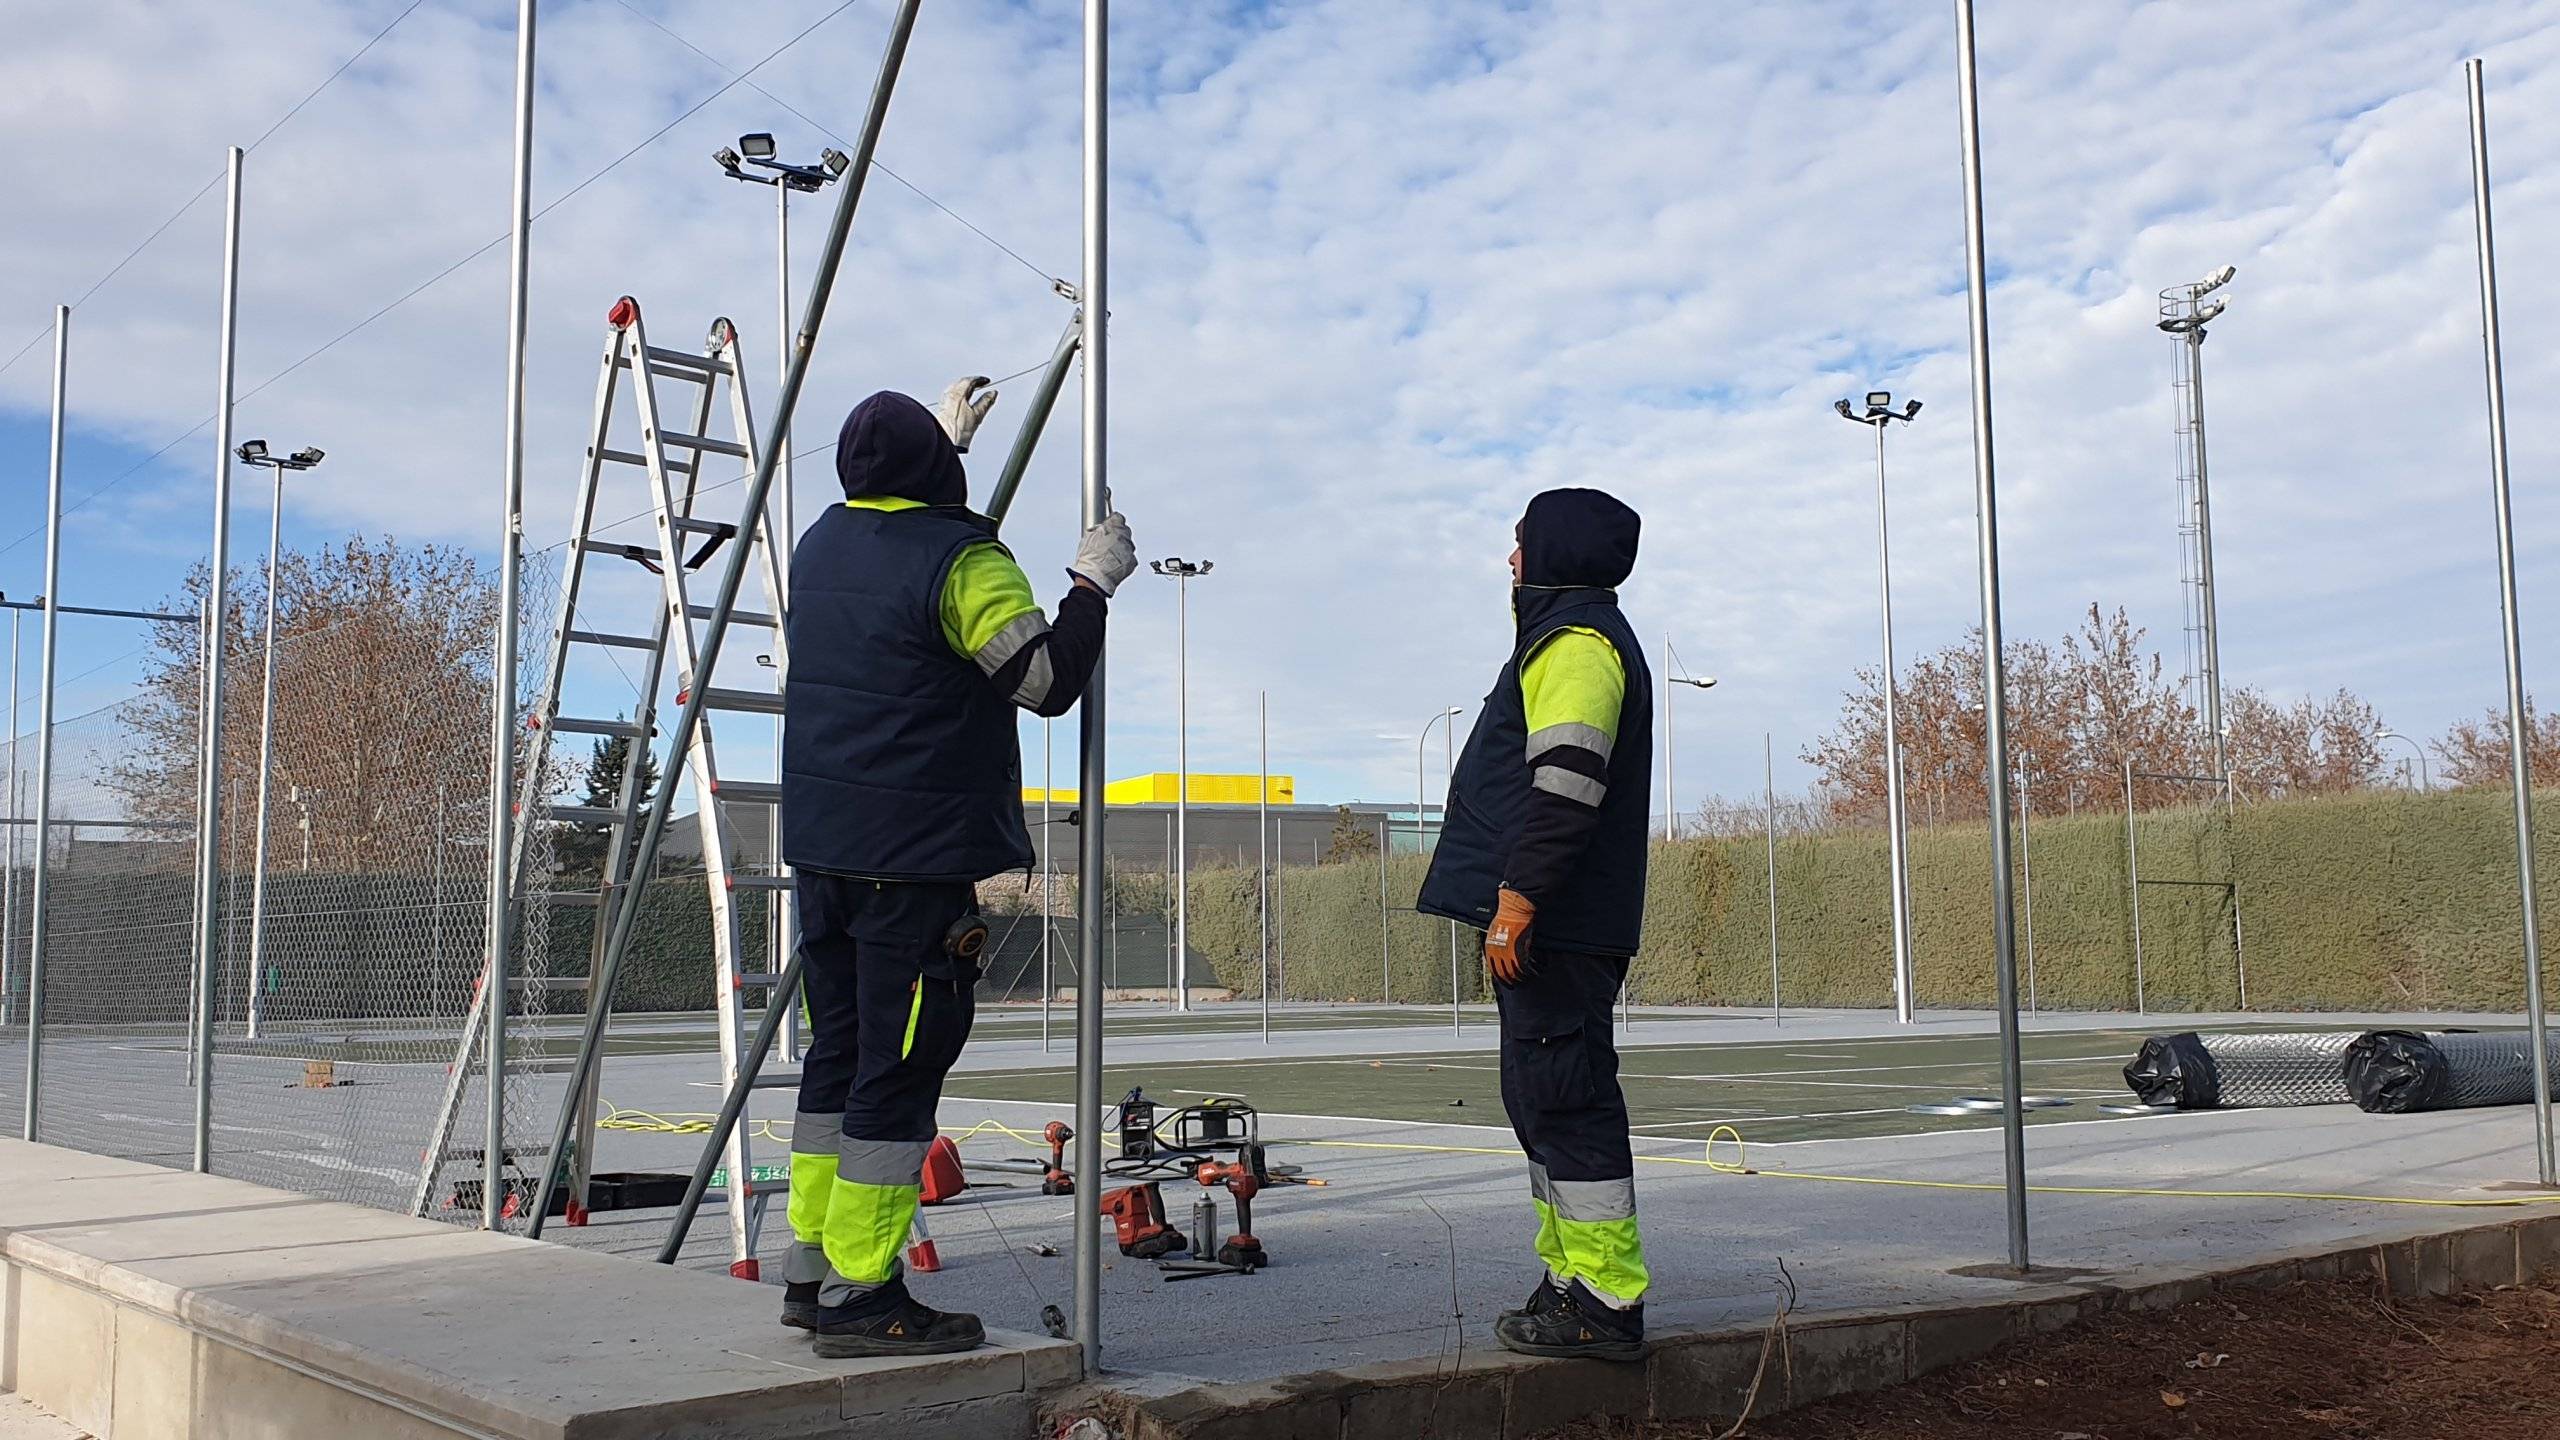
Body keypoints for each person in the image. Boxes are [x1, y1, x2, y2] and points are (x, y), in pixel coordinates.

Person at [778, 378, 1135, 1359]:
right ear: (935, 473)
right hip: (913, 859)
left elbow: (892, 540)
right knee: (897, 1075)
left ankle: (811, 1272)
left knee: (836, 1061)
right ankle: (863, 1293)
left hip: (825, 855)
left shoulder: (821, 544)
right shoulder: (964, 560)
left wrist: (939, 449)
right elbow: (1045, 679)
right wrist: (1089, 588)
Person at [1416, 487, 1655, 1361]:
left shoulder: (1578, 644)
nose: (1510, 559)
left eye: (1519, 543)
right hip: (1556, 920)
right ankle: (1571, 1283)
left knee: (1568, 1102)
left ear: (1553, 554)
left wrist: (1518, 902)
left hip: (1559, 922)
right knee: (1544, 1103)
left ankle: (1603, 1302)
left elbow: (1566, 786)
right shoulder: (1563, 638)